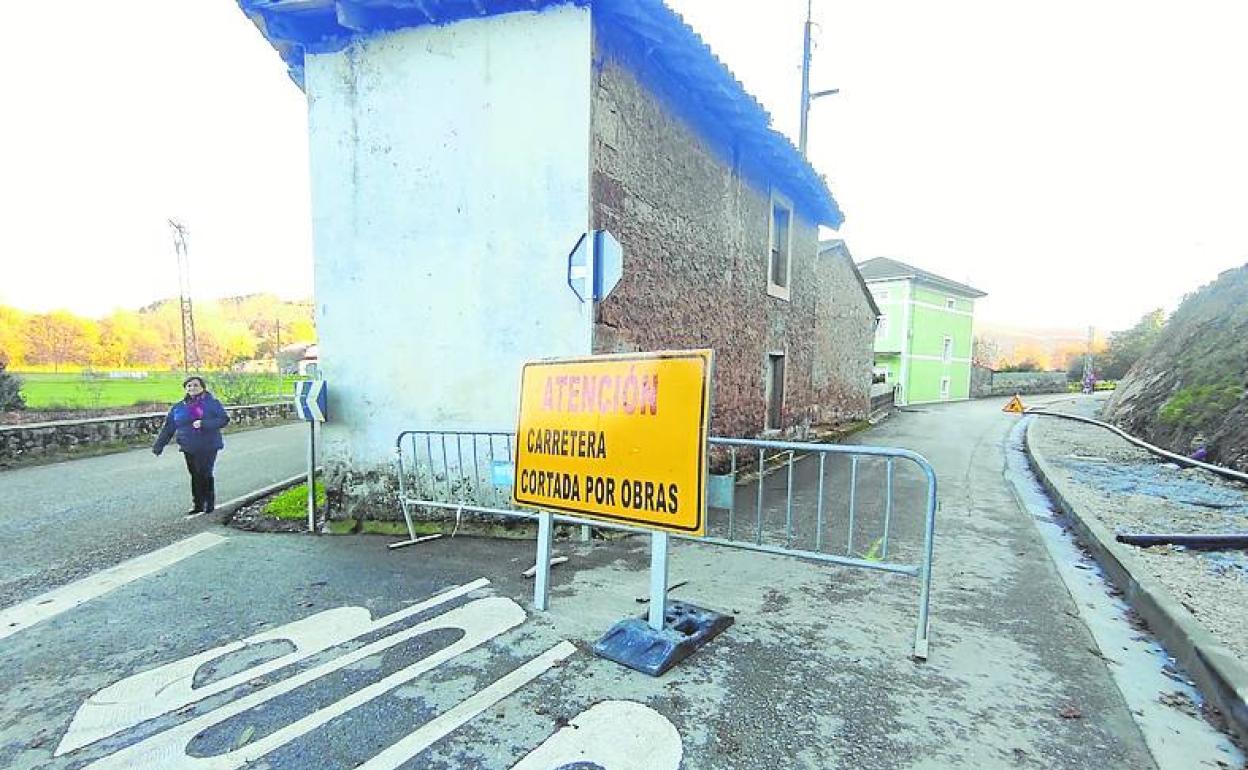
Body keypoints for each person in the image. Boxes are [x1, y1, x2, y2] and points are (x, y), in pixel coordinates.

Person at [152, 376, 230, 514]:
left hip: (208, 445)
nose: (192, 388)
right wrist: (159, 445)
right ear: (185, 388)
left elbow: (223, 419)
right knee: (194, 474)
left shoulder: (212, 403)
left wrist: (204, 423)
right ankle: (198, 504)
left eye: (195, 385)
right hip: (188, 446)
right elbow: (169, 427)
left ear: (202, 387)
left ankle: (209, 503)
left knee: (205, 473)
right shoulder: (178, 407)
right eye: (189, 386)